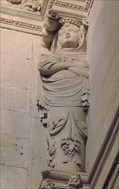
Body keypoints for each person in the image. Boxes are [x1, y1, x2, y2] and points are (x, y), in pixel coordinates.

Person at [38, 10, 89, 172]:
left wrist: (69, 66)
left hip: (75, 98)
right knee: (57, 129)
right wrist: (68, 66)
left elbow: (86, 73)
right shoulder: (54, 56)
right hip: (57, 97)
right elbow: (44, 67)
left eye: (72, 31)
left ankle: (72, 170)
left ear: (81, 37)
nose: (67, 33)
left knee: (76, 130)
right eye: (63, 33)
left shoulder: (83, 57)